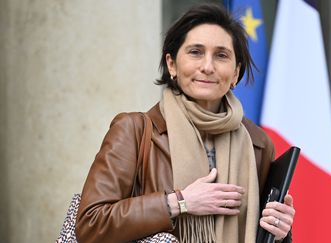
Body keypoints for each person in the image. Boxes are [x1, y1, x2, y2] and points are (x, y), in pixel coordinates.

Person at [76, 3, 295, 243]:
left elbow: (260, 235)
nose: (207, 67)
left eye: (221, 55)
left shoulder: (258, 144)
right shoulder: (134, 130)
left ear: (235, 73)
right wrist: (180, 202)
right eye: (195, 52)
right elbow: (91, 224)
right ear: (172, 65)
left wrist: (280, 232)